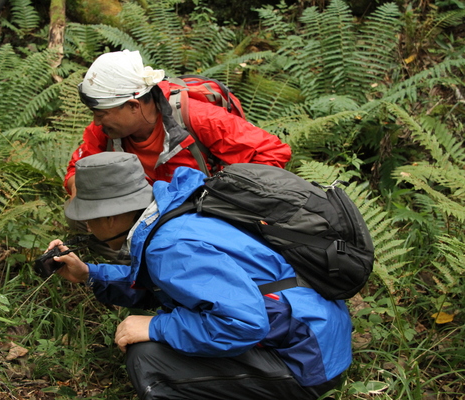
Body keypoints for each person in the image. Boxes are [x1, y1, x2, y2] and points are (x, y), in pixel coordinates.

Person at [47, 152, 352, 400]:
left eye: (89, 219)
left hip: (306, 365)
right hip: (316, 340)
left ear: (112, 216)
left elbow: (245, 323)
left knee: (149, 358)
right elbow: (168, 285)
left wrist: (156, 327)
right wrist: (89, 274)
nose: (87, 227)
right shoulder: (174, 215)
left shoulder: (169, 246)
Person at [64, 49, 291, 197]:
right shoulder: (106, 130)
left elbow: (271, 152)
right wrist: (79, 191)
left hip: (207, 209)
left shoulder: (199, 118)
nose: (96, 122)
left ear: (133, 105)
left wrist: (226, 197)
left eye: (101, 113)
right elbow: (77, 170)